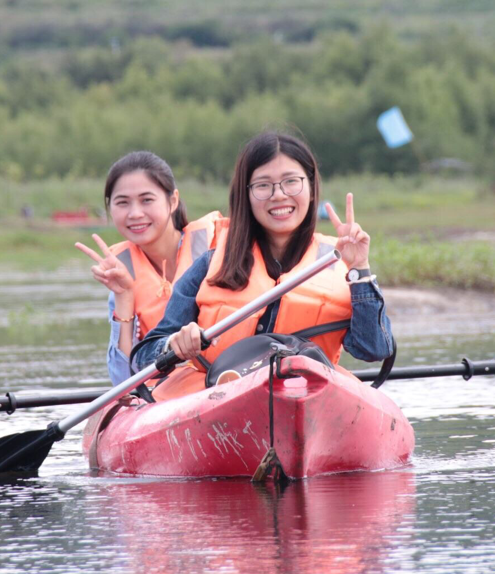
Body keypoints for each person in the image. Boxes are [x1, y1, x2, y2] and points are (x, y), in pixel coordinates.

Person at [131, 131, 393, 395]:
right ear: (246, 195)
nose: (278, 195)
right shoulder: (210, 264)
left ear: (312, 189)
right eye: (263, 185)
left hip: (305, 397)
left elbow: (373, 349)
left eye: (291, 182)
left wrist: (360, 268)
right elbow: (143, 358)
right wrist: (173, 345)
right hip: (218, 398)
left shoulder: (340, 264)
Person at [76, 151, 222, 385]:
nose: (135, 214)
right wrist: (123, 296)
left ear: (173, 201)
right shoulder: (123, 271)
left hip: (224, 378)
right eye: (122, 202)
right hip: (166, 394)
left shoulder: (217, 248)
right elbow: (123, 383)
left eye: (147, 200)